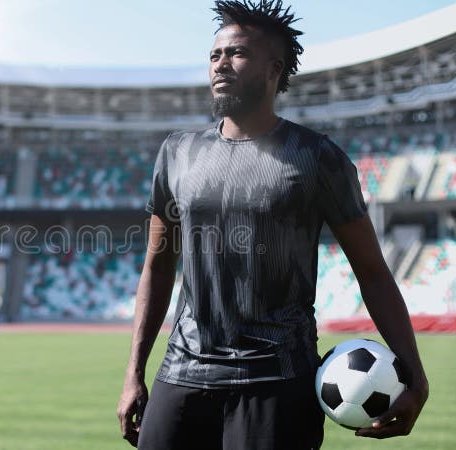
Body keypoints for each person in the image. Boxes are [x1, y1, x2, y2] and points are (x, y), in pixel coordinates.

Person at [116, 1, 429, 449]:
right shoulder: (176, 153)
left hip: (278, 383)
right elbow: (158, 267)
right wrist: (133, 374)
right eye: (214, 55)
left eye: (236, 53)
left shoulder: (318, 158)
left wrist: (415, 377)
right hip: (182, 375)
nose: (220, 64)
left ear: (273, 68)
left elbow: (374, 273)